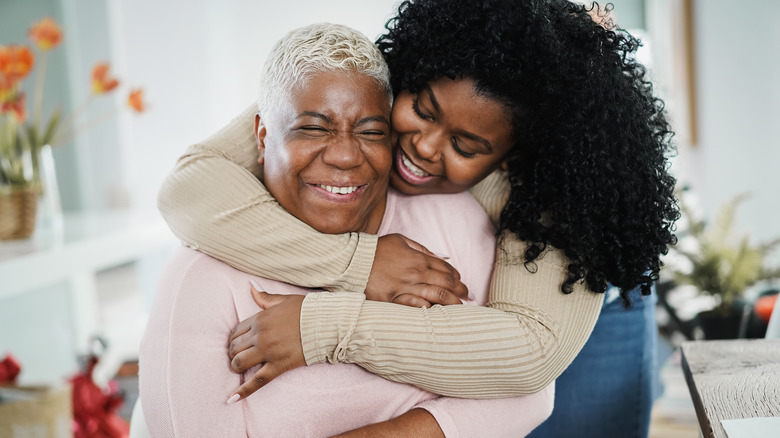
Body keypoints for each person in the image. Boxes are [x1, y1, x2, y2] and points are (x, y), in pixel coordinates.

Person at [158, 0, 679, 436]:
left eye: (465, 145)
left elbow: (529, 358)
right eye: (423, 110)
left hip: (581, 313)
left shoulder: (556, 189)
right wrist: (359, 264)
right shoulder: (368, 82)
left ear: (512, 155)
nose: (423, 146)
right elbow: (189, 186)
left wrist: (324, 324)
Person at [139, 22, 553, 438]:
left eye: (371, 132)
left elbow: (530, 389)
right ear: (263, 136)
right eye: (314, 128)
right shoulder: (202, 279)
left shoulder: (455, 221)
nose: (343, 156)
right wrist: (360, 264)